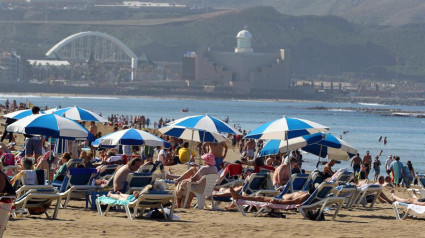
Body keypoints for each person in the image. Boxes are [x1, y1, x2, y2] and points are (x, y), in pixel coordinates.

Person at [228, 186, 310, 205]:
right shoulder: (306, 194)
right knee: (260, 197)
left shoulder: (306, 196)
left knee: (260, 198)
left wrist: (278, 202)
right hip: (280, 197)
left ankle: (240, 197)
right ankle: (241, 196)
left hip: (279, 200)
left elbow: (293, 202)